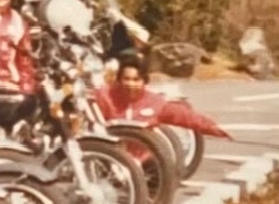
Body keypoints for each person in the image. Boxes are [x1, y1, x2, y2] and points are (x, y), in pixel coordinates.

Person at [94, 51, 232, 140]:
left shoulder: (155, 102)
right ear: (118, 80)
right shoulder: (105, 96)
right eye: (126, 79)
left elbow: (184, 116)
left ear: (144, 81)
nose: (131, 84)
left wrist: (212, 127)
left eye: (136, 79)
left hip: (144, 164)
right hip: (111, 160)